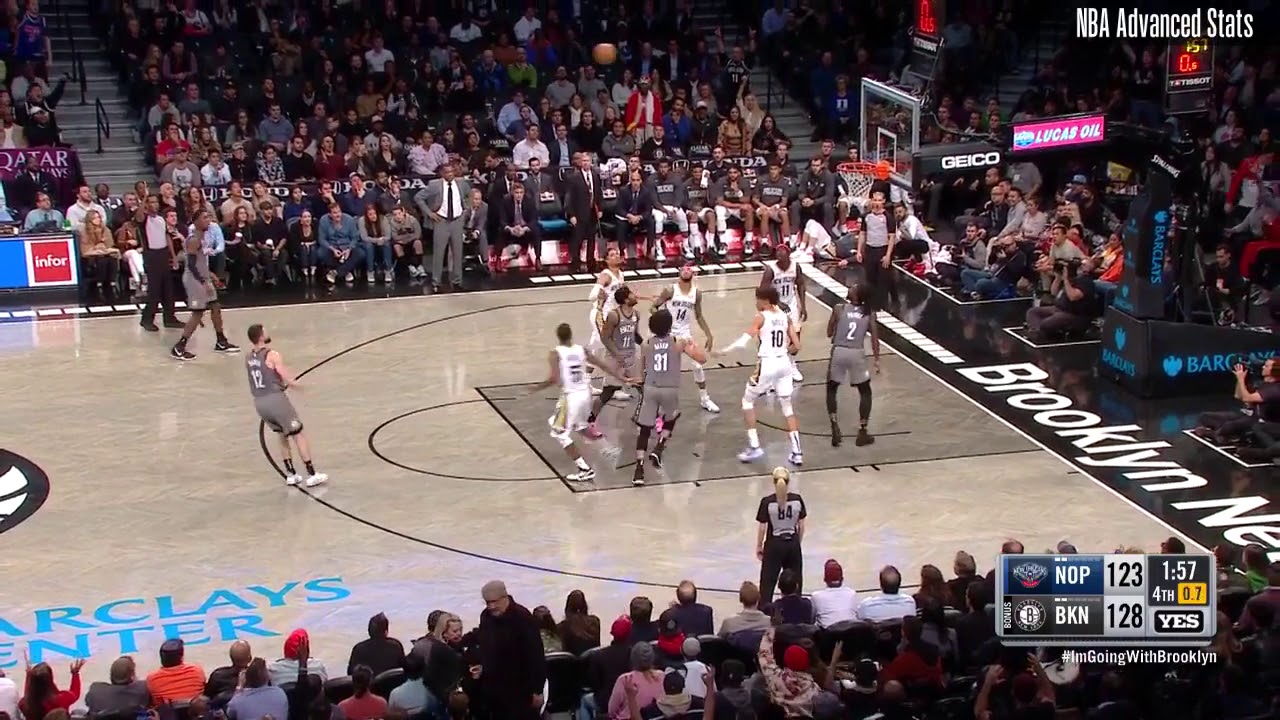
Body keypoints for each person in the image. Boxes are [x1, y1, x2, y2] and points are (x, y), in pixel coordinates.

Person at [528, 323, 628, 482]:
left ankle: (584, 468)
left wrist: (537, 387)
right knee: (579, 426)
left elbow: (554, 379)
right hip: (585, 394)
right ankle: (607, 448)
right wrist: (622, 378)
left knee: (559, 433)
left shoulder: (555, 353)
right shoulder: (582, 350)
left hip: (571, 397)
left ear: (558, 336)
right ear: (570, 335)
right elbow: (602, 365)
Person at [719, 286, 803, 465]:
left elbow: (745, 340)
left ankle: (755, 446)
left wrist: (725, 350)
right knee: (787, 407)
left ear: (764, 300)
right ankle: (797, 452)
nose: (756, 303)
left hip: (767, 363)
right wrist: (781, 351)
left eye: (757, 299)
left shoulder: (761, 317)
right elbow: (797, 345)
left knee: (747, 401)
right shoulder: (785, 318)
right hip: (784, 363)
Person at [631, 308, 709, 486]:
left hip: (651, 388)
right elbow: (702, 359)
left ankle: (639, 469)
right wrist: (695, 347)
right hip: (670, 389)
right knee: (672, 416)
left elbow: (640, 374)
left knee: (644, 429)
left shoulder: (646, 344)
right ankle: (659, 448)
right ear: (670, 325)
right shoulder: (678, 342)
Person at [245, 323, 328, 487]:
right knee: (298, 433)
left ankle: (291, 474)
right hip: (275, 399)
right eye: (265, 331)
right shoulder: (272, 354)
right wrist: (303, 387)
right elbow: (285, 377)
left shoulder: (248, 357)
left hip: (259, 402)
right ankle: (311, 474)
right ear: (261, 336)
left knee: (281, 434)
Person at [171, 211, 238, 360]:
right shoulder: (194, 240)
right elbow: (192, 265)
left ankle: (221, 341)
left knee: (215, 306)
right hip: (195, 279)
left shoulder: (203, 238)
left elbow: (201, 263)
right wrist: (203, 282)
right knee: (198, 313)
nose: (209, 220)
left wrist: (210, 276)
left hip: (203, 277)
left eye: (209, 217)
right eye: (205, 218)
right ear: (195, 222)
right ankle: (179, 347)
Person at [476, 580, 547, 720]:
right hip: (494, 689)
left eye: (494, 602)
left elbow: (536, 656)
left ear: (505, 597)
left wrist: (537, 690)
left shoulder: (523, 618)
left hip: (520, 689)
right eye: (488, 602)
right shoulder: (486, 617)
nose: (491, 606)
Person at [653, 265, 719, 413]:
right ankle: (658, 402)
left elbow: (699, 316)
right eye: (684, 269)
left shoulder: (696, 293)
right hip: (669, 335)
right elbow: (653, 307)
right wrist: (660, 324)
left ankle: (705, 399)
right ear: (679, 273)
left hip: (685, 335)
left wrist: (709, 334)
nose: (687, 270)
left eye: (690, 269)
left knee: (698, 363)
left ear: (693, 274)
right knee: (665, 369)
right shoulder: (670, 290)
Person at [826, 283, 880, 447]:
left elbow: (829, 332)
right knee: (865, 392)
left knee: (831, 388)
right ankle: (862, 431)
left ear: (856, 295)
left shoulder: (839, 308)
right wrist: (877, 359)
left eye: (853, 288)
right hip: (857, 353)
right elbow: (874, 338)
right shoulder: (869, 312)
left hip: (839, 351)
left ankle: (834, 425)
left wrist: (837, 329)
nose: (849, 288)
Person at [589, 286, 643, 437]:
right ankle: (590, 420)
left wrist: (647, 344)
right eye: (632, 294)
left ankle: (642, 418)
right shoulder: (614, 315)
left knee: (644, 388)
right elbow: (605, 337)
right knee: (608, 392)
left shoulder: (636, 314)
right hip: (615, 358)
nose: (635, 296)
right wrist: (617, 354)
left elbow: (635, 335)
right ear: (626, 299)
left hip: (631, 357)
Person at [756, 467, 807, 605]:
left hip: (774, 545)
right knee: (794, 582)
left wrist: (759, 546)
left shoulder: (767, 502)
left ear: (773, 482)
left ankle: (765, 611)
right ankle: (795, 612)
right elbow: (801, 526)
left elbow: (762, 527)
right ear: (789, 482)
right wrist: (797, 543)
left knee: (767, 583)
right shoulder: (797, 500)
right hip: (792, 543)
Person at [587, 247, 630, 399]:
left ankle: (608, 385)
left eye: (618, 253)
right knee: (610, 350)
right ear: (606, 260)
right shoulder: (606, 275)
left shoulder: (621, 274)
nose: (617, 256)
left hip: (612, 317)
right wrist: (598, 293)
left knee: (598, 351)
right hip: (601, 316)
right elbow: (591, 296)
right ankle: (611, 386)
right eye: (612, 255)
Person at [1024, 258, 1100, 341]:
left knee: (1046, 323)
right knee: (1032, 312)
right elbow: (1054, 292)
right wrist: (1058, 277)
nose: (1081, 266)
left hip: (1073, 314)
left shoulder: (1086, 281)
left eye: (1084, 265)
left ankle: (1040, 331)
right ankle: (1037, 332)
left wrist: (1066, 280)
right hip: (1059, 308)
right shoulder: (1073, 278)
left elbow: (1073, 297)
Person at [761, 244, 807, 381]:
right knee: (775, 339)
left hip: (791, 305)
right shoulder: (770, 270)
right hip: (775, 308)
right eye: (777, 253)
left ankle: (791, 365)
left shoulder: (795, 267)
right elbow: (762, 291)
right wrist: (777, 303)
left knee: (795, 338)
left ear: (788, 255)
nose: (778, 256)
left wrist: (803, 306)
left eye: (781, 254)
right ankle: (773, 369)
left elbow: (801, 285)